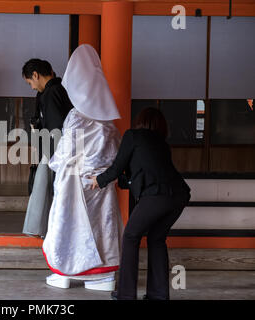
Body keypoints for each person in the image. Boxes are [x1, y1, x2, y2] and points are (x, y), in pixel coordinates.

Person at [42, 44, 123, 291]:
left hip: (73, 182)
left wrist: (54, 163)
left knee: (67, 223)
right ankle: (102, 276)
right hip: (101, 181)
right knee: (101, 225)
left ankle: (65, 272)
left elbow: (66, 154)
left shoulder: (76, 116)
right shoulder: (106, 119)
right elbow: (116, 152)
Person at [90, 107, 191, 300]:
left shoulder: (133, 136)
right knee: (156, 239)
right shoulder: (162, 144)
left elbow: (117, 167)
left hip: (156, 196)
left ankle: (126, 295)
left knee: (130, 236)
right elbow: (132, 176)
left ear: (140, 122)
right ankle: (158, 295)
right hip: (179, 196)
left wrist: (99, 180)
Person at [22, 59, 73, 238]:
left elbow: (56, 127)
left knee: (50, 189)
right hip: (52, 149)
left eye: (30, 82)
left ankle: (50, 230)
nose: (32, 87)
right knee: (45, 189)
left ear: (35, 75)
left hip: (55, 151)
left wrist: (53, 156)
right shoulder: (52, 91)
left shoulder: (53, 93)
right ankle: (46, 229)